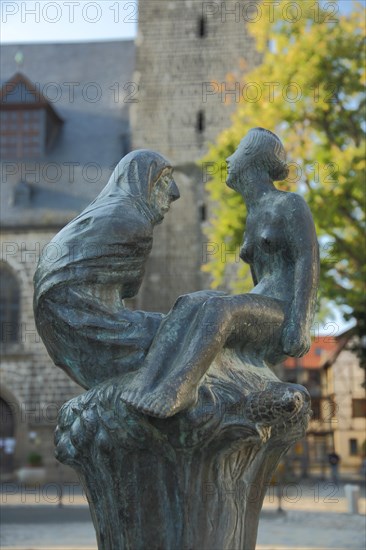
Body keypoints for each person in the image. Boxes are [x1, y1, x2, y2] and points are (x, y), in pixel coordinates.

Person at [120, 128, 320, 417]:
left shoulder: (289, 204)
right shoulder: (252, 216)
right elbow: (258, 276)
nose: (228, 159)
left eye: (237, 152)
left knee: (220, 308)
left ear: (254, 161)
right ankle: (145, 383)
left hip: (283, 314)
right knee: (189, 302)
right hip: (261, 303)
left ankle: (179, 389)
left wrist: (299, 324)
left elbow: (307, 259)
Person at [34, 150, 180, 389]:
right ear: (141, 181)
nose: (175, 192)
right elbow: (131, 289)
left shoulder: (106, 213)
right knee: (196, 323)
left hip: (64, 336)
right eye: (164, 181)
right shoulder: (134, 223)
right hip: (94, 330)